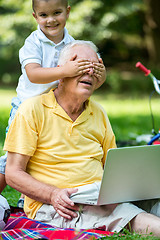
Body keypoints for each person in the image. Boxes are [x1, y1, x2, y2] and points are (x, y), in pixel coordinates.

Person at [5, 40, 160, 236]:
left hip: (100, 196)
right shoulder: (33, 110)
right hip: (61, 205)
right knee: (139, 220)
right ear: (61, 73)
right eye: (82, 66)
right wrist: (53, 194)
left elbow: (112, 167)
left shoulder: (99, 113)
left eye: (95, 68)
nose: (89, 73)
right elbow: (12, 173)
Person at [0, 0, 106, 207]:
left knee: (43, 156)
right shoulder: (33, 42)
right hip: (26, 106)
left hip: (54, 108)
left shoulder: (73, 44)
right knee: (12, 160)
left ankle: (26, 199)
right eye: (43, 15)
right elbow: (33, 74)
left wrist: (99, 77)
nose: (50, 20)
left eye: (56, 13)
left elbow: (81, 81)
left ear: (67, 12)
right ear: (35, 16)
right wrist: (65, 70)